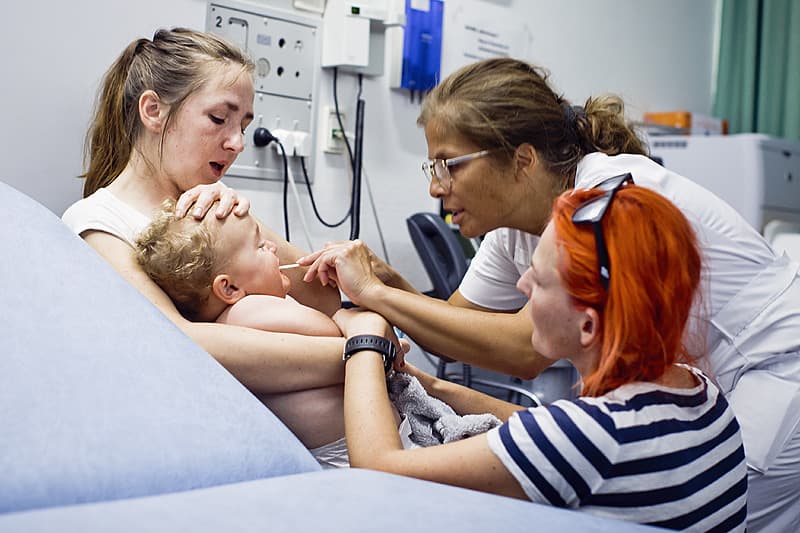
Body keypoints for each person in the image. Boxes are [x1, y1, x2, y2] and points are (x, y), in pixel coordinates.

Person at [301, 58, 800, 530]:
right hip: (690, 393)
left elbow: (524, 351)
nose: (437, 187)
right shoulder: (517, 227)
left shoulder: (609, 200)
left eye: (449, 165)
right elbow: (453, 329)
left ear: (522, 160)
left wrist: (370, 318)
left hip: (770, 376)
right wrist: (387, 285)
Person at [329, 182, 747, 530]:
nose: (524, 285)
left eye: (541, 281)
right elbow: (542, 428)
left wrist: (366, 336)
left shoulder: (593, 437)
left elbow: (379, 470)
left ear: (588, 326)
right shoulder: (701, 392)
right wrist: (431, 385)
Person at [61, 28, 347, 420]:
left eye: (244, 126)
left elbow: (325, 298)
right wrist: (361, 353)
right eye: (218, 118)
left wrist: (253, 232)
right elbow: (178, 342)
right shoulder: (97, 223)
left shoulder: (211, 201)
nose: (237, 143)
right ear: (153, 111)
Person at [134, 200, 349, 467]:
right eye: (260, 246)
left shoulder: (235, 320)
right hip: (346, 455)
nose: (272, 246)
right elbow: (332, 331)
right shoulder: (247, 310)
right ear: (230, 288)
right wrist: (353, 317)